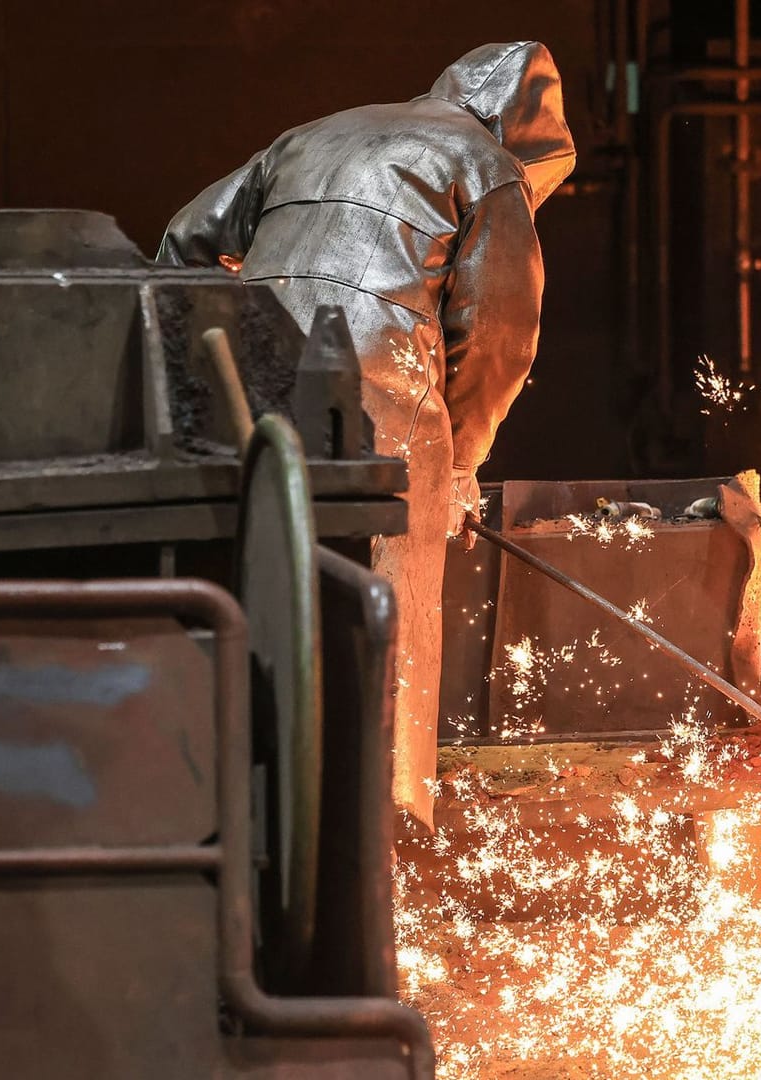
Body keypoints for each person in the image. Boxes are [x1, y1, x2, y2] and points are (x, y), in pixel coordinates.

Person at [159, 41, 574, 826]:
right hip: (386, 396)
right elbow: (498, 339)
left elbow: (185, 239)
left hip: (254, 377)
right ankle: (379, 835)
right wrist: (460, 464)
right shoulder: (487, 164)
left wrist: (204, 359)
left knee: (251, 587)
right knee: (388, 621)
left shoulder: (313, 133)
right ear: (525, 132)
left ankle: (229, 813)